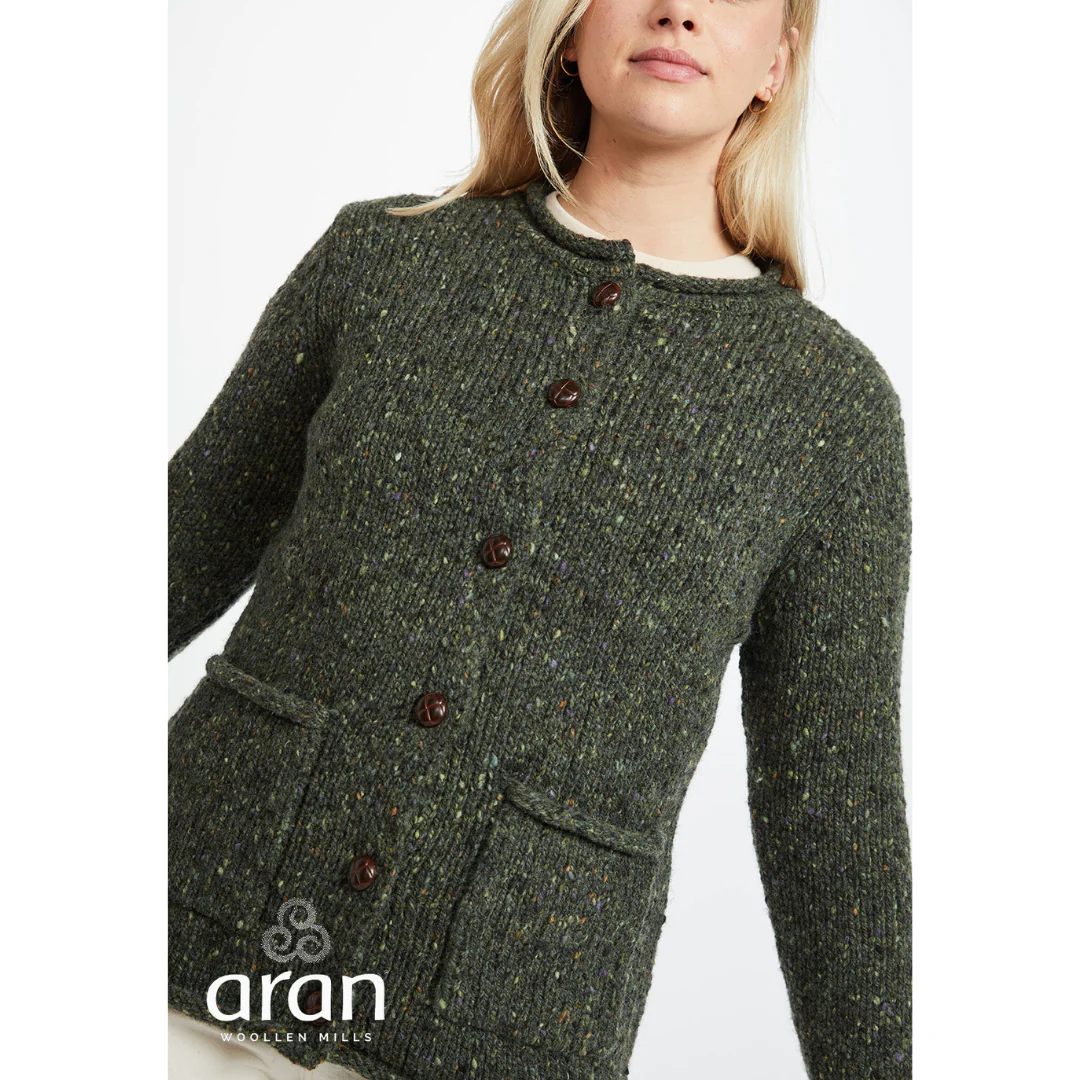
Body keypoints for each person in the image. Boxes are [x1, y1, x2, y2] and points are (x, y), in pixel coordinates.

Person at [168, 2, 912, 1078]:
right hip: (185, 951)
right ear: (570, 27)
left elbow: (830, 804)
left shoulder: (826, 407)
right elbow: (178, 542)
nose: (679, 10)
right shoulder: (385, 259)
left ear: (777, 62)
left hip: (501, 1023)